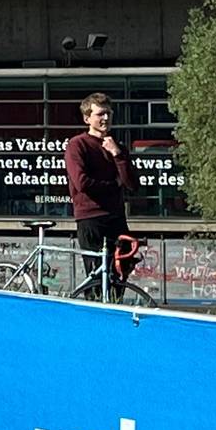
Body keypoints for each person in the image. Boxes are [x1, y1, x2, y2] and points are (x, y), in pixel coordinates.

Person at [63, 92, 139, 292]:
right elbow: (82, 183)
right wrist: (114, 185)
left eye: (109, 114)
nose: (106, 118)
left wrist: (117, 154)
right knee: (96, 275)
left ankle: (116, 312)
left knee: (120, 271)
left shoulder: (117, 147)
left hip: (116, 217)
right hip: (91, 218)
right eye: (100, 114)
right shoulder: (77, 145)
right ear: (87, 118)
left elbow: (132, 184)